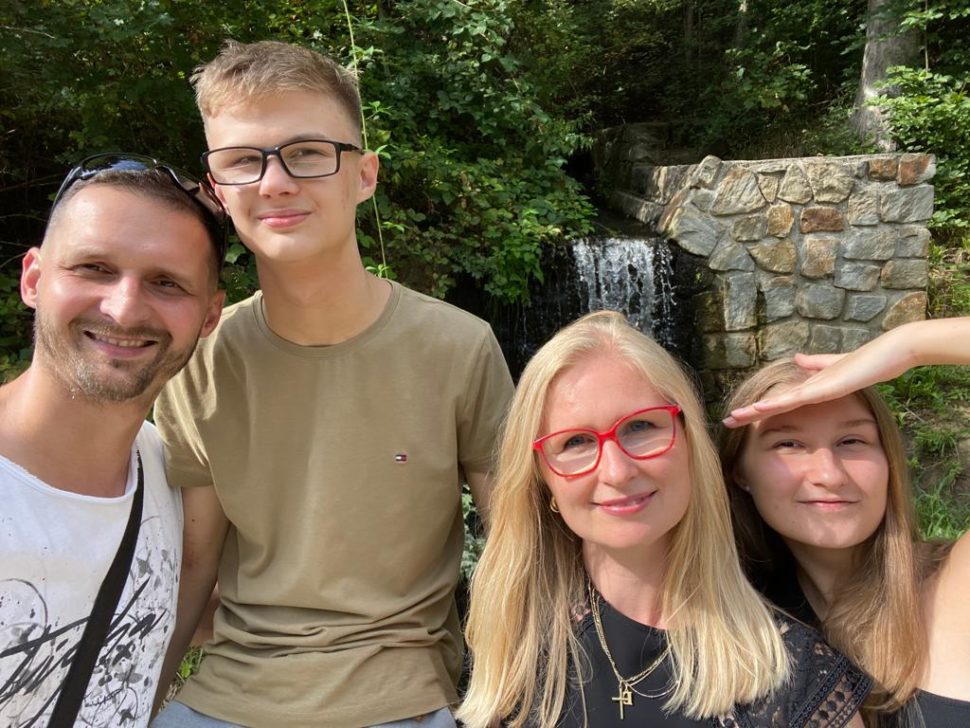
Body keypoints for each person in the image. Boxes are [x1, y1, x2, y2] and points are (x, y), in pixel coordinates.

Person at [151, 40, 513, 728]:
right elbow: (195, 564)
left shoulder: (459, 347)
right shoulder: (197, 359)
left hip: (402, 697)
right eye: (242, 161)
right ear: (217, 190)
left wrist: (502, 698)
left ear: (364, 175)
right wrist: (136, 707)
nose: (275, 182)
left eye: (307, 153)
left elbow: (514, 548)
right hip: (225, 695)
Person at [457, 310, 870, 728]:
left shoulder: (794, 680)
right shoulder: (515, 646)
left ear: (691, 442)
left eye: (640, 426)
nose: (617, 471)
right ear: (542, 480)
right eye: (576, 442)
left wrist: (902, 349)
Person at [0, 154, 226, 727]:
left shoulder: (175, 477)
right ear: (34, 279)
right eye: (94, 268)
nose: (124, 309)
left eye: (166, 283)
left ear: (209, 317)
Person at [720, 318, 970, 725]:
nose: (830, 474)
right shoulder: (736, 631)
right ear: (740, 473)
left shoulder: (955, 584)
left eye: (852, 441)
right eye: (789, 444)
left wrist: (912, 344)